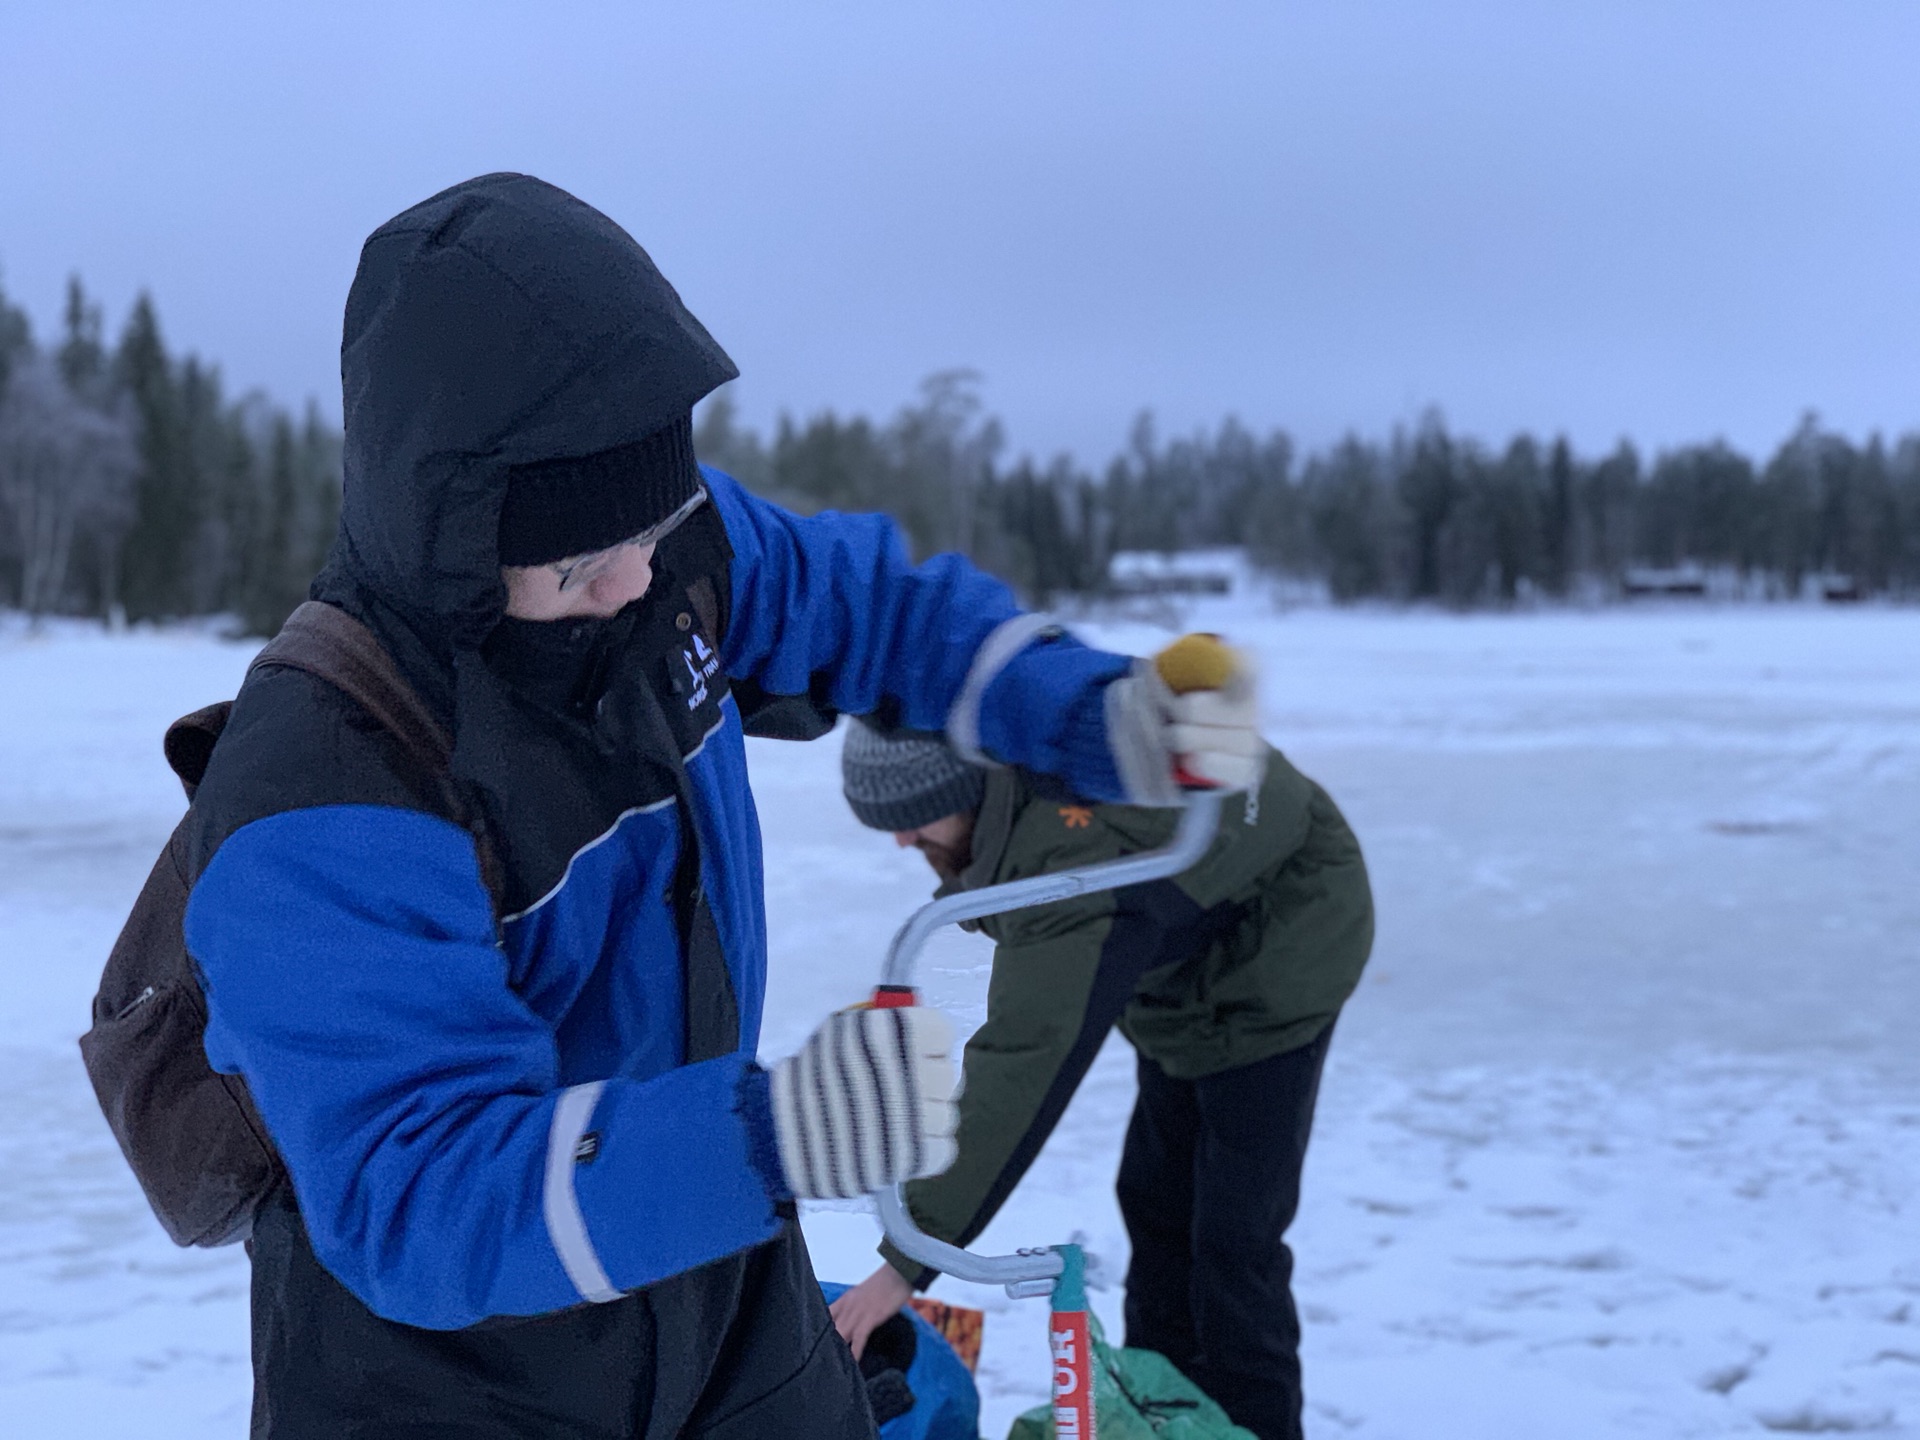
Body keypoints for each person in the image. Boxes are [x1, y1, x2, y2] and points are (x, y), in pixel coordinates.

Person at [177, 173, 1261, 1439]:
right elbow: (422, 1192)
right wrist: (769, 1136)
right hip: (448, 1377)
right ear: (460, 532)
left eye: (657, 524)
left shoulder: (662, 550)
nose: (641, 580)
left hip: (717, 1289)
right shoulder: (324, 794)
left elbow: (873, 606)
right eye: (583, 561)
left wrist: (1090, 709)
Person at [827, 645, 1374, 1440]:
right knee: (1155, 1206)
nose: (903, 845)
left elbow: (1027, 1053)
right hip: (1185, 964)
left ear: (964, 786)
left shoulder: (1074, 855)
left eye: (911, 820)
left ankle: (1254, 1427)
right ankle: (1166, 1414)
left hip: (1279, 956)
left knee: (1232, 1244)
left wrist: (905, 1262)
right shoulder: (1020, 780)